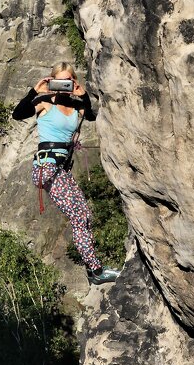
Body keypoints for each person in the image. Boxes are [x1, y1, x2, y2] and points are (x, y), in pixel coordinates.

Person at [12, 62, 121, 285]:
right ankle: (96, 271)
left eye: (67, 81)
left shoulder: (75, 107)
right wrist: (35, 90)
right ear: (51, 80)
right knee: (79, 216)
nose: (63, 86)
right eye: (59, 81)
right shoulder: (43, 103)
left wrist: (84, 96)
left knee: (85, 215)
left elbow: (91, 115)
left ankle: (94, 269)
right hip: (47, 168)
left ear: (73, 82)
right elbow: (18, 114)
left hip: (61, 169)